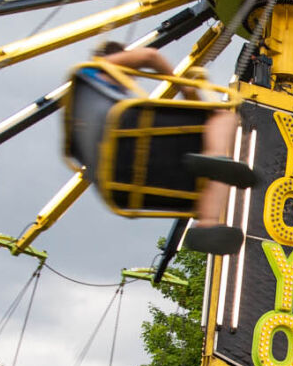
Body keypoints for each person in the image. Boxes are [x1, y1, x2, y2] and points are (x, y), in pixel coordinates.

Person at [92, 41, 258, 256]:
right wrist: (180, 83)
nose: (131, 78)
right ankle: (208, 208)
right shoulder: (98, 69)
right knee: (223, 117)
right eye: (131, 73)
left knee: (207, 170)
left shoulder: (86, 91)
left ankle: (207, 221)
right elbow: (150, 56)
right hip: (133, 142)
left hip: (124, 179)